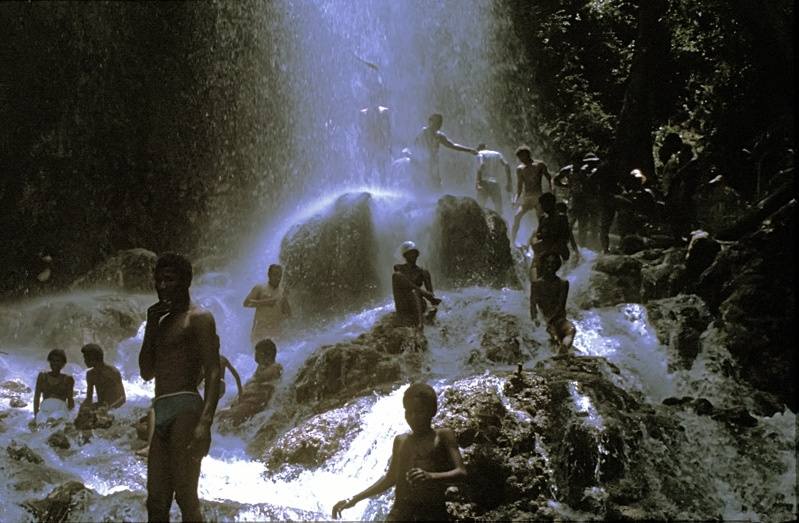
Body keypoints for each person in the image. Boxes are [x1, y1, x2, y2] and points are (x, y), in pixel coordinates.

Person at [138, 252, 222, 522]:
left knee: (186, 495)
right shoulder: (161, 323)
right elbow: (146, 372)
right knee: (156, 502)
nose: (162, 285)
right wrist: (151, 325)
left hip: (186, 408)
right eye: (158, 279)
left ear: (185, 281)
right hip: (161, 410)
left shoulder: (199, 318)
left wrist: (205, 423)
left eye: (169, 279)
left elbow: (212, 369)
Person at [332, 383, 467, 521]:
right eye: (408, 411)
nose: (413, 417)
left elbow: (461, 472)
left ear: (433, 410)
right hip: (400, 513)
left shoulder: (442, 436)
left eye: (419, 411)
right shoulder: (401, 441)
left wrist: (430, 476)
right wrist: (354, 499)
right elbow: (391, 478)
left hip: (431, 513)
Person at [218, 339, 283, 427]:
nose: (255, 355)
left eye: (257, 352)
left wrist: (262, 365)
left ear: (264, 353)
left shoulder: (276, 366)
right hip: (244, 401)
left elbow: (261, 379)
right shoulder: (261, 368)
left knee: (227, 419)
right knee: (216, 415)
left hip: (254, 402)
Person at [413, 113, 478, 189]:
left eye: (440, 123)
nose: (439, 125)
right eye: (437, 122)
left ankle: (436, 197)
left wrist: (469, 150)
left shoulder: (439, 136)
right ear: (430, 122)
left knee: (436, 183)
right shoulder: (423, 133)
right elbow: (414, 146)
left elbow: (452, 145)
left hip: (433, 163)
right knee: (424, 183)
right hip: (422, 164)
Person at [530, 252, 576, 356]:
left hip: (559, 320)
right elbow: (533, 306)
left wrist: (553, 321)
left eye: (553, 263)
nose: (550, 265)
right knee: (553, 338)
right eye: (547, 263)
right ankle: (558, 353)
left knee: (571, 329)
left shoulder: (563, 283)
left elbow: (561, 305)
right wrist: (535, 321)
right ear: (543, 264)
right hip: (544, 320)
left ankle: (563, 350)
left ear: (557, 265)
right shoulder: (536, 284)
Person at [392, 241, 442, 330]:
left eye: (414, 253)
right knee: (396, 276)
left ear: (417, 254)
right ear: (405, 255)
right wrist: (423, 292)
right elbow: (428, 295)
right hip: (403, 303)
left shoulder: (423, 272)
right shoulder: (399, 268)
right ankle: (421, 319)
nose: (412, 255)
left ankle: (420, 323)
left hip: (418, 304)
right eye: (410, 253)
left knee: (414, 292)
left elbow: (430, 294)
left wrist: (433, 306)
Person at [527, 193, 578, 279]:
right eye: (541, 205)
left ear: (551, 203)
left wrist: (554, 246)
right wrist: (536, 242)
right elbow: (539, 234)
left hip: (555, 251)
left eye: (544, 204)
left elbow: (565, 237)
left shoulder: (561, 218)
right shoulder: (543, 219)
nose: (542, 207)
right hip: (544, 249)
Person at [510, 145, 552, 246]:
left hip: (538, 197)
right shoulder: (520, 169)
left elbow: (549, 178)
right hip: (527, 198)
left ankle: (542, 240)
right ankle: (512, 242)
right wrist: (515, 199)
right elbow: (519, 186)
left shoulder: (539, 165)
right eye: (519, 158)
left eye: (522, 157)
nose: (521, 159)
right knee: (517, 216)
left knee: (541, 219)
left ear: (528, 154)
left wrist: (552, 191)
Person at [243, 264, 292, 345]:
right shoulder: (260, 288)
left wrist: (285, 300)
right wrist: (265, 303)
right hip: (260, 330)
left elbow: (288, 314)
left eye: (279, 275)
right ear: (269, 274)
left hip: (276, 332)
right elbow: (246, 303)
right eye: (275, 275)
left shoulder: (283, 292)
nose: (277, 278)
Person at [33, 348, 75, 424]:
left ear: (63, 364)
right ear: (49, 361)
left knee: (52, 422)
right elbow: (36, 397)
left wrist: (70, 417)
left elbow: (70, 400)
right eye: (52, 360)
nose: (54, 363)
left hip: (60, 410)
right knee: (41, 424)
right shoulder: (42, 376)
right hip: (44, 410)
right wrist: (35, 415)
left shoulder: (68, 379)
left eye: (57, 361)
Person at [80, 343, 126, 411]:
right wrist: (83, 407)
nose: (84, 361)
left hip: (115, 408)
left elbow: (122, 398)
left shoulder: (112, 372)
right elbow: (89, 398)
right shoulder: (90, 374)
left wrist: (109, 409)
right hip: (101, 406)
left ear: (93, 359)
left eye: (86, 358)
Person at [358, 95, 392, 182]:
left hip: (379, 139)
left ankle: (382, 186)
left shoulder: (384, 111)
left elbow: (388, 130)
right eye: (372, 98)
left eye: (375, 98)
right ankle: (367, 185)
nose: (374, 101)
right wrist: (361, 145)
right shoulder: (363, 113)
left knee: (380, 164)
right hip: (369, 139)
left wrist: (388, 146)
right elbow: (361, 130)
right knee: (368, 164)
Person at [474, 143, 512, 215]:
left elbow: (481, 165)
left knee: (479, 206)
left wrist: (478, 182)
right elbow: (506, 165)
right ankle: (501, 223)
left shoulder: (480, 153)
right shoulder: (498, 154)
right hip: (495, 183)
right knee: (498, 207)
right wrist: (509, 182)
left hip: (484, 182)